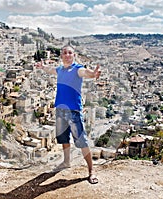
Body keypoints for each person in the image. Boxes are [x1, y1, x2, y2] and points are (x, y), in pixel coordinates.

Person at [36, 44, 101, 184]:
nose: (67, 55)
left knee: (81, 141)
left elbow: (86, 73)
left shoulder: (77, 69)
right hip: (60, 110)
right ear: (61, 56)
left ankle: (91, 171)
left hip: (74, 111)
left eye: (70, 53)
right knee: (64, 139)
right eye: (65, 53)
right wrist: (42, 67)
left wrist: (94, 74)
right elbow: (50, 70)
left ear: (74, 55)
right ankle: (66, 162)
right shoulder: (60, 70)